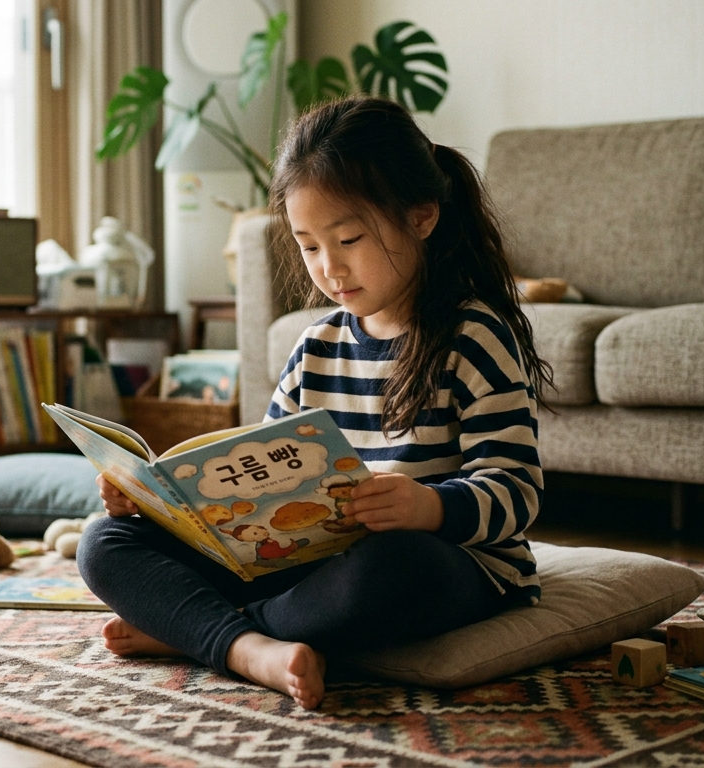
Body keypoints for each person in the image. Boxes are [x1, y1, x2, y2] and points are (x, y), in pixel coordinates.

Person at [78, 96, 553, 710]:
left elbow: (517, 491)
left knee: (387, 568)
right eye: (308, 246)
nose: (329, 268)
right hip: (304, 561)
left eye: (349, 239)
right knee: (103, 542)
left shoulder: (473, 336)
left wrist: (429, 506)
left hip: (447, 566)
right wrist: (161, 501)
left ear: (422, 217)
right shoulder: (315, 347)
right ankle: (255, 645)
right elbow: (263, 479)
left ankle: (206, 633)